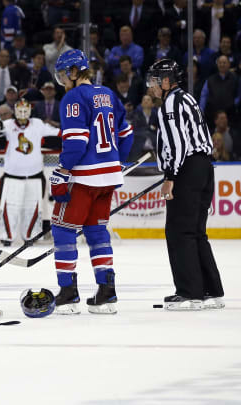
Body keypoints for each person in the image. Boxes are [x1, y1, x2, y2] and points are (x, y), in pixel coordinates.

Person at [49, 49, 134, 315]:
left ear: (75, 72)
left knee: (63, 230)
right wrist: (116, 160)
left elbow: (76, 141)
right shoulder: (108, 94)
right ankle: (107, 291)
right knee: (97, 231)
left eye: (64, 74)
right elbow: (127, 134)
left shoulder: (73, 98)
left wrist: (62, 171)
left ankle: (68, 292)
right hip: (108, 177)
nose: (62, 80)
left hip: (84, 176)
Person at [147, 58, 225, 310]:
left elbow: (178, 144)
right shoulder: (187, 98)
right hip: (204, 169)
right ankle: (211, 291)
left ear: (167, 81)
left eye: (156, 80)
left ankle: (190, 293)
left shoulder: (169, 103)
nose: (152, 85)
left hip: (187, 170)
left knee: (179, 231)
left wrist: (170, 176)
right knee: (196, 232)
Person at [0, 99, 60, 246]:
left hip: (35, 176)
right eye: (20, 111)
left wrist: (72, 133)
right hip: (12, 176)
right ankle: (6, 236)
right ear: (15, 112)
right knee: (10, 207)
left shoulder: (37, 124)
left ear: (30, 111)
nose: (23, 114)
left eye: (25, 110)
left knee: (33, 207)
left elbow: (56, 132)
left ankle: (30, 236)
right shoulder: (7, 125)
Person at [199, 55, 240, 121]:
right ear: (217, 64)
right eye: (220, 62)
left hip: (230, 115)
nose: (222, 65)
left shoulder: (236, 79)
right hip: (213, 116)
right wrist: (201, 111)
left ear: (229, 64)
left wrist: (234, 104)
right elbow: (204, 96)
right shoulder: (210, 80)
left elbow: (239, 95)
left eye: (224, 63)